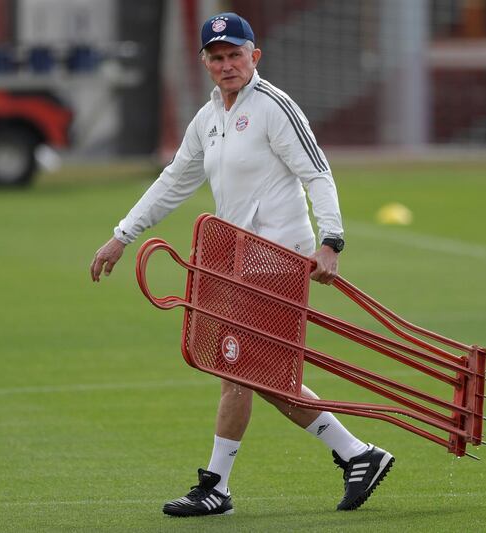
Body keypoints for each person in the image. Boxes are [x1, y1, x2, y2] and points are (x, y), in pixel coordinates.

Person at [89, 12, 393, 517]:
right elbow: (173, 181)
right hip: (238, 261)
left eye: (235, 54)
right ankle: (358, 455)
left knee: (236, 369)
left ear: (255, 56)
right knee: (262, 374)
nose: (227, 64)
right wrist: (123, 235)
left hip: (279, 260)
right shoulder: (207, 119)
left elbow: (317, 174)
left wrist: (331, 241)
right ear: (205, 62)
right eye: (217, 56)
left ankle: (216, 486)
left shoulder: (275, 107)